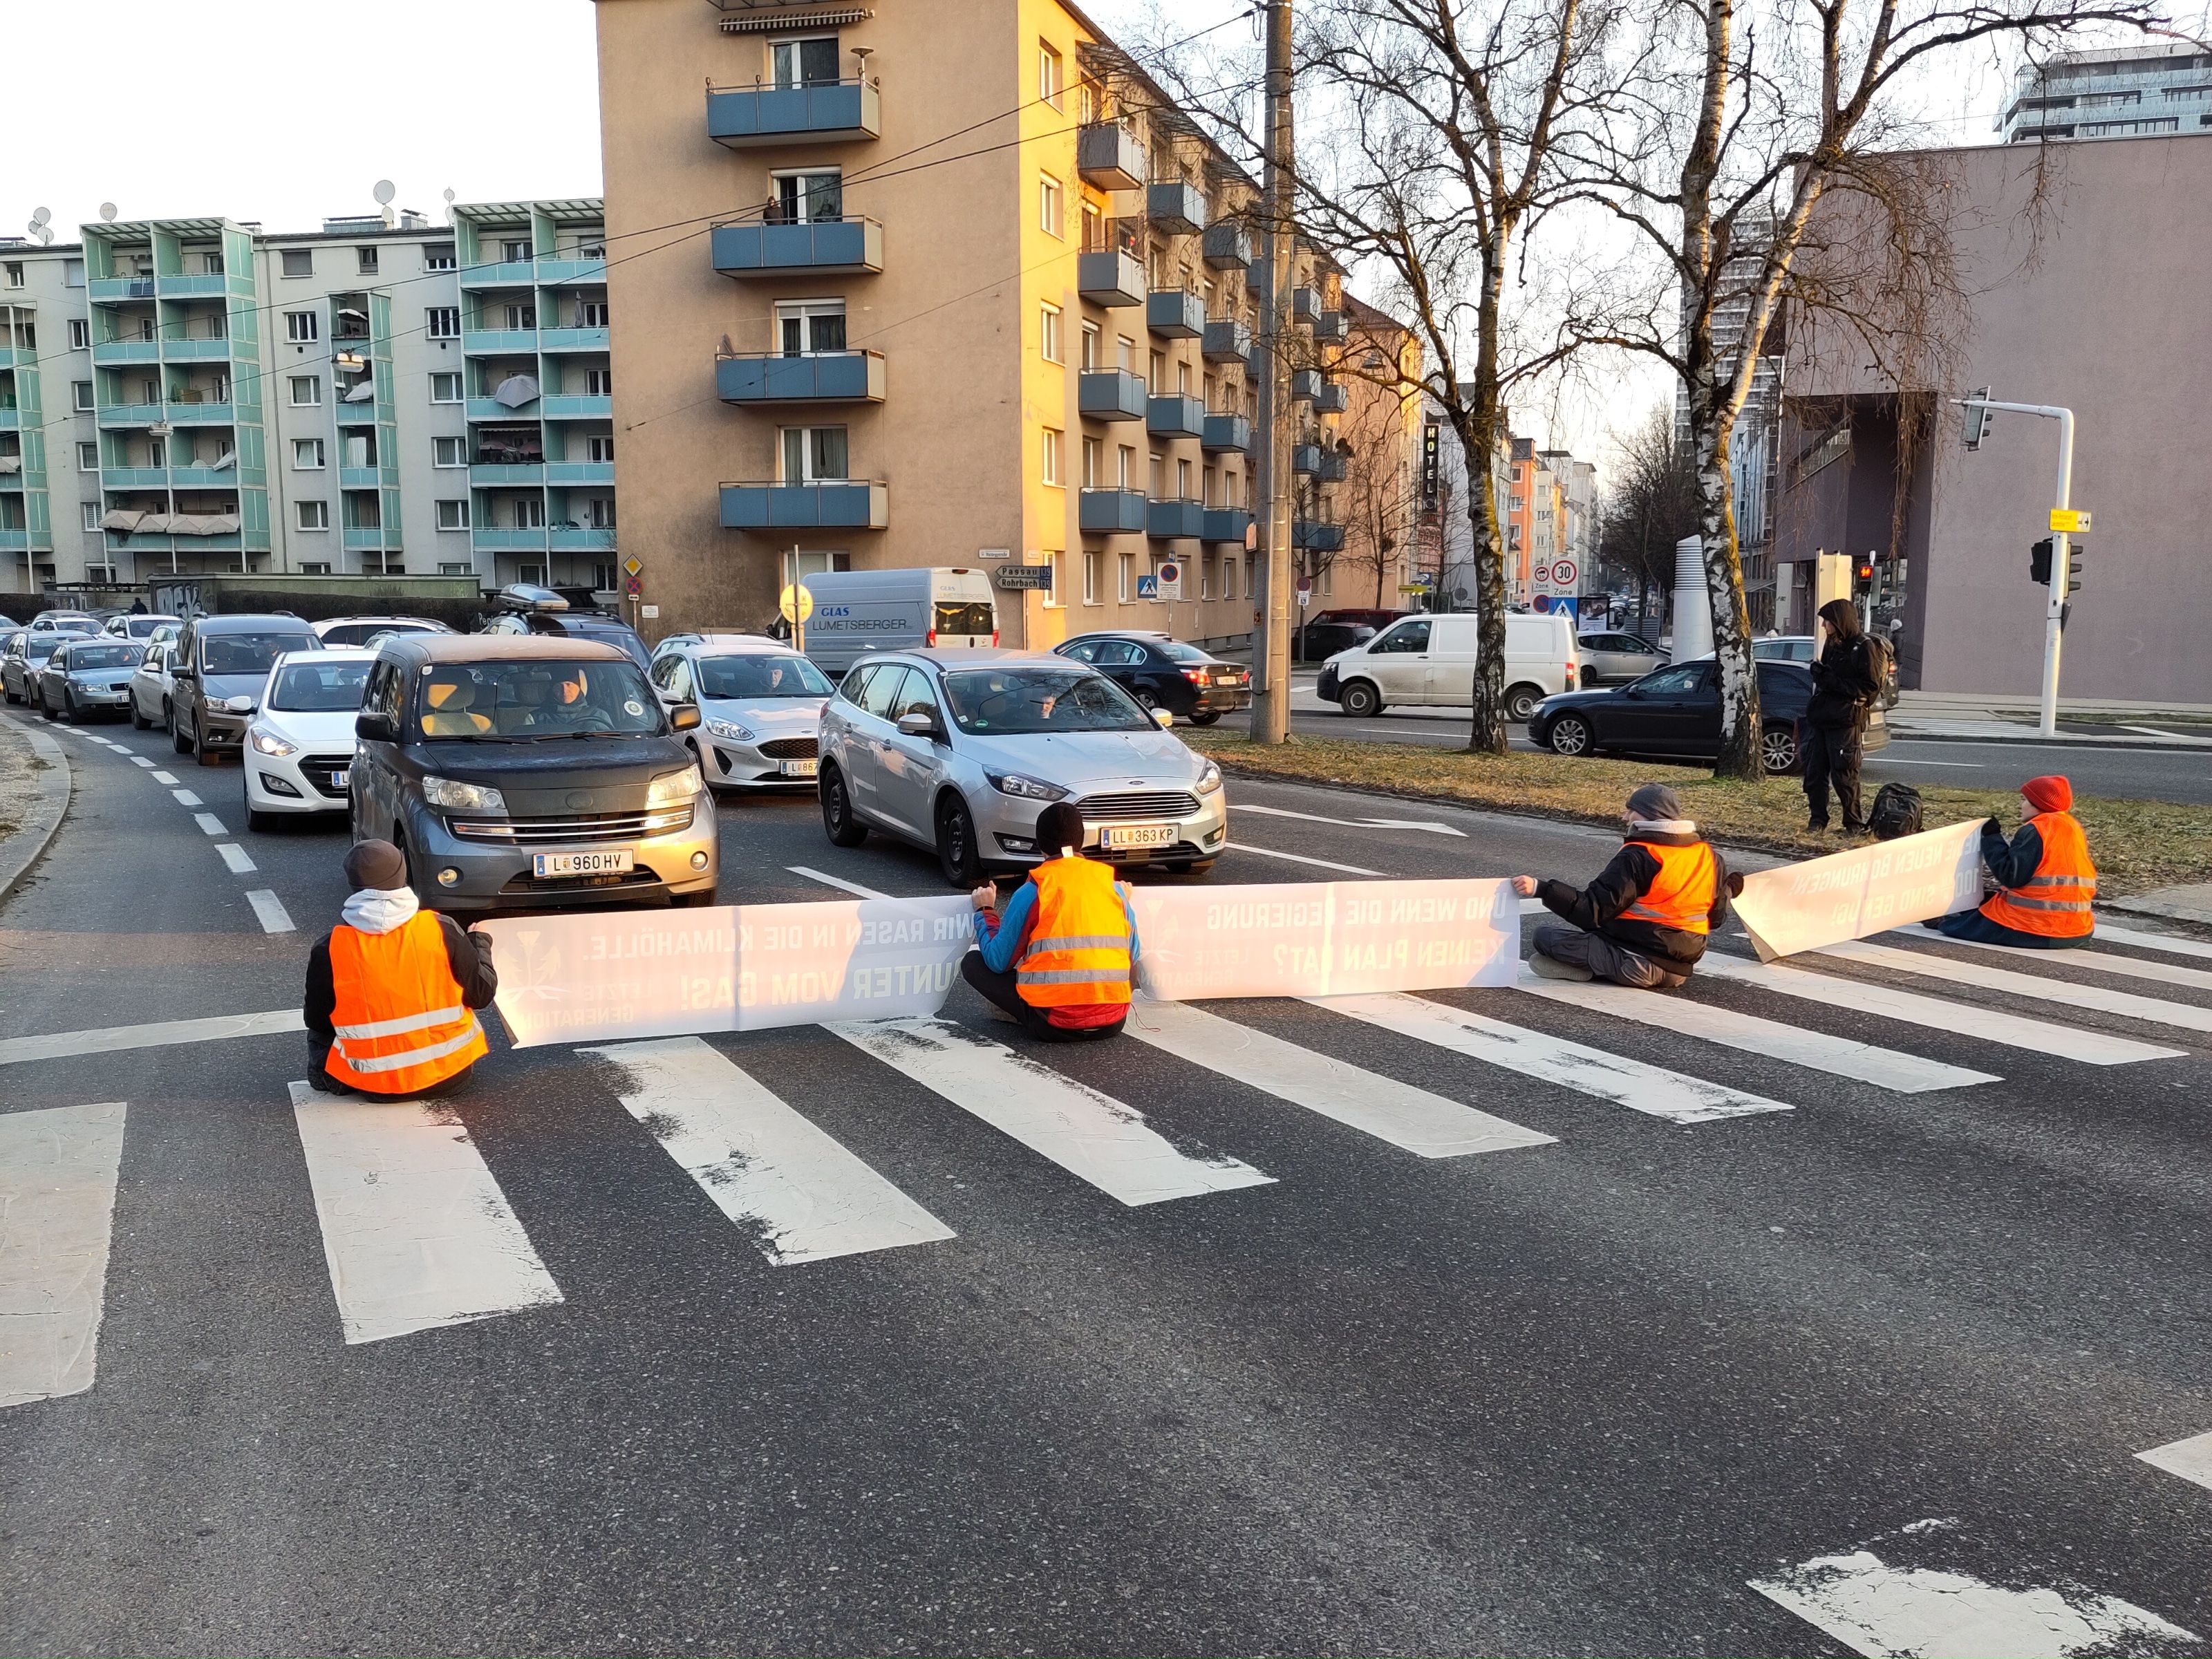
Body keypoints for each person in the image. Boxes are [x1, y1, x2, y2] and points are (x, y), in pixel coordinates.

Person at [304, 840, 499, 1096]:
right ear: (401, 875)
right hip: (449, 1076)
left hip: (372, 1083)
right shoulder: (441, 929)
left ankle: (327, 1077)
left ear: (354, 885)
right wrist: (479, 944)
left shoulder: (330, 948)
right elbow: (481, 994)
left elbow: (317, 1019)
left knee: (319, 1034)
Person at [1510, 782, 1743, 989]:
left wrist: (1541, 889)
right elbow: (1715, 918)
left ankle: (1597, 969)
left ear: (1650, 815)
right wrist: (1729, 888)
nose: (1625, 817)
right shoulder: (1709, 856)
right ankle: (1601, 966)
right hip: (1679, 972)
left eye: (1631, 810)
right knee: (1595, 934)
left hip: (1637, 963)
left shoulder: (1640, 855)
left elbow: (1592, 911)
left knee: (1543, 937)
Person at [962, 801, 1140, 1041]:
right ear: (1082, 840)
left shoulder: (1035, 890)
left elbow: (998, 962)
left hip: (1052, 1024)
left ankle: (1020, 1012)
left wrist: (985, 910)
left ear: (1041, 846)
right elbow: (1134, 953)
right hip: (1113, 1020)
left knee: (973, 962)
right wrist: (1125, 903)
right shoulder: (1113, 888)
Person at [1925, 774, 2097, 948]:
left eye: (2024, 800)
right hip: (2078, 929)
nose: (2020, 806)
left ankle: (1941, 919)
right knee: (1984, 905)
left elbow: (2011, 876)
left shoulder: (2037, 830)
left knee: (1959, 924)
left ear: (2038, 804)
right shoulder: (2072, 827)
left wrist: (1992, 837)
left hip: (2036, 928)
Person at [1801, 597, 1881, 833]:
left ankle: (1853, 823)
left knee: (1844, 774)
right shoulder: (1833, 644)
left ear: (1840, 621)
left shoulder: (1863, 646)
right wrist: (1820, 674)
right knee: (1814, 774)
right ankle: (1817, 820)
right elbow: (1829, 678)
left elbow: (1869, 687)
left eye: (1828, 621)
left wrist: (1831, 681)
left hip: (1845, 720)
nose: (1824, 626)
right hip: (1822, 717)